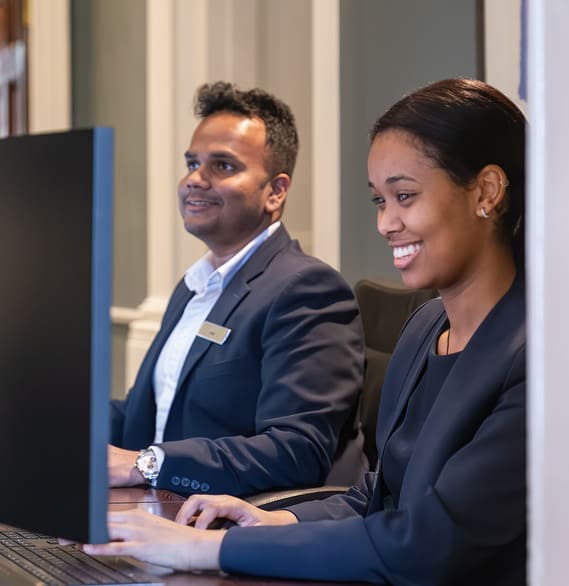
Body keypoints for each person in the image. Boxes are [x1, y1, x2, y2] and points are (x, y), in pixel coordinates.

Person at [86, 78, 526, 585]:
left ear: (487, 192)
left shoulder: (536, 359)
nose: (386, 223)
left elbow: (426, 543)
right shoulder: (426, 326)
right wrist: (276, 521)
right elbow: (377, 495)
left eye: (404, 196)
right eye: (379, 201)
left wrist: (211, 547)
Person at [109, 81, 366, 497]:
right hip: (157, 511)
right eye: (192, 162)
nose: (195, 179)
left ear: (276, 191)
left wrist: (146, 464)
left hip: (228, 529)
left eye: (223, 166)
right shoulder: (194, 285)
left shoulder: (307, 290)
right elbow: (149, 415)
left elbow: (296, 450)